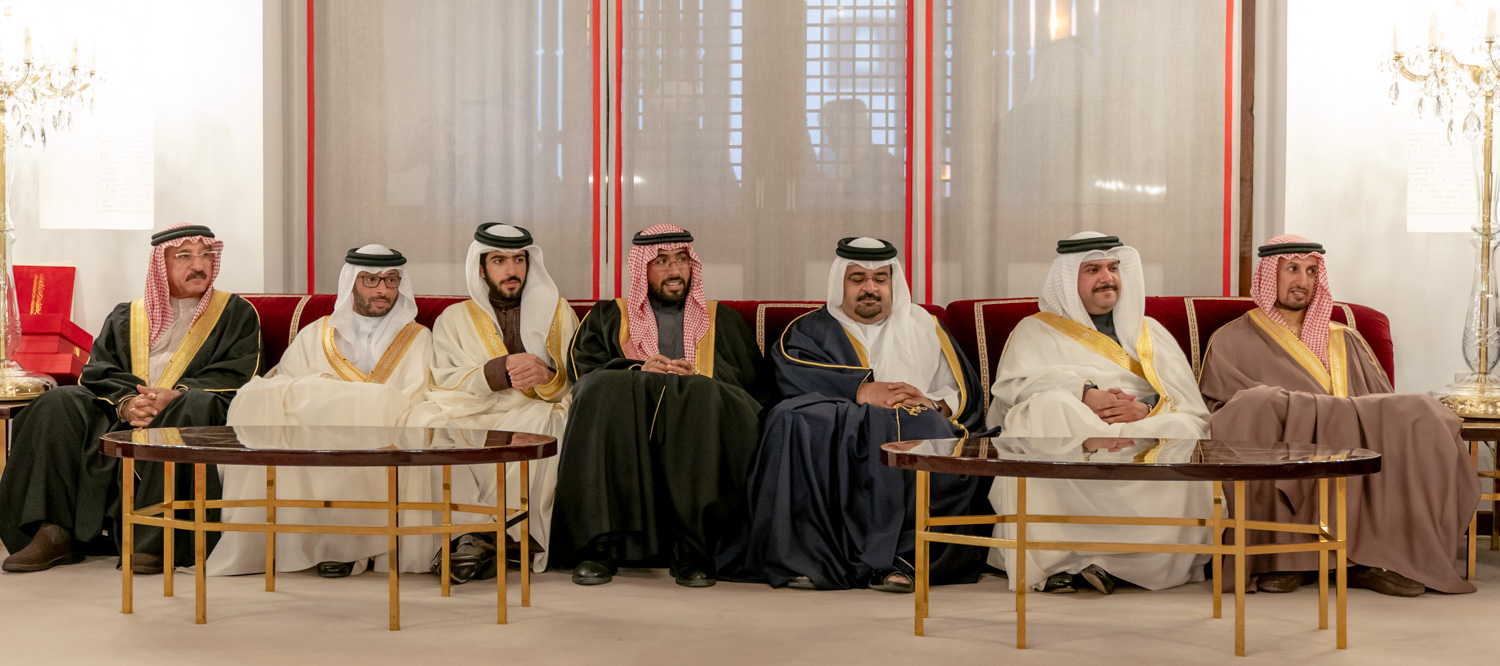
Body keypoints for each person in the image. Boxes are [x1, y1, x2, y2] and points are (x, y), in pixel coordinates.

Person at [1198, 235, 1480, 597]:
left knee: (1420, 413)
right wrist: (1295, 409)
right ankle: (1285, 559)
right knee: (1258, 408)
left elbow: (1377, 400)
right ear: (1269, 275)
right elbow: (1222, 409)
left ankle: (1371, 560)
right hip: (1284, 440)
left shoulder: (1346, 339)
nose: (1302, 281)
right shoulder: (1232, 339)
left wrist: (1325, 413)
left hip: (1349, 435)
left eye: (1311, 271)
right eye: (1292, 269)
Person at [730, 237, 988, 592]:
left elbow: (959, 391)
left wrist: (934, 404)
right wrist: (861, 390)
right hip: (839, 428)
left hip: (910, 420)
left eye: (880, 278)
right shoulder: (811, 329)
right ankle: (808, 558)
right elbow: (791, 375)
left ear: (892, 283)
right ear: (841, 283)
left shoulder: (924, 326)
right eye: (858, 279)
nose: (870, 288)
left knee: (928, 426)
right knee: (791, 419)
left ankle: (902, 562)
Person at [0, 223, 261, 574]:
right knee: (58, 402)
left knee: (195, 403)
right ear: (160, 264)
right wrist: (126, 403)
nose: (198, 265)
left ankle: (155, 539)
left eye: (205, 256)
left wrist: (175, 396)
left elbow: (236, 372)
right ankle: (53, 532)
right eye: (184, 256)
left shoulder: (235, 313)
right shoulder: (127, 315)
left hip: (189, 411)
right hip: (122, 412)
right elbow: (98, 369)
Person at [986, 231, 1211, 594]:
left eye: (1113, 268)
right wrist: (1084, 394)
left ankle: (1131, 563)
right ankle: (1057, 560)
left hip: (1139, 424)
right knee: (1049, 409)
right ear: (1068, 279)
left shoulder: (1149, 331)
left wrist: (1144, 408)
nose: (1108, 278)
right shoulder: (1035, 330)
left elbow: (1184, 397)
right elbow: (1012, 390)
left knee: (1183, 427)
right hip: (1074, 421)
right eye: (1093, 270)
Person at [551, 224, 768, 588]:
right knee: (603, 389)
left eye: (681, 259)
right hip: (627, 415)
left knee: (702, 394)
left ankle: (693, 549)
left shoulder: (723, 319)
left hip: (695, 417)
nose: (674, 270)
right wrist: (637, 371)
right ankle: (600, 546)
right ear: (642, 268)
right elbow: (584, 372)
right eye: (662, 261)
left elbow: (752, 387)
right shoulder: (608, 315)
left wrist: (695, 377)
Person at [207, 245, 434, 578]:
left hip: (383, 434)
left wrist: (353, 402)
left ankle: (350, 546)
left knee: (369, 408)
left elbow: (414, 398)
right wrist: (339, 402)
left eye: (391, 280)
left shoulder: (417, 338)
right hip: (314, 436)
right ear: (351, 283)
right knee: (261, 400)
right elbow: (285, 385)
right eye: (370, 280)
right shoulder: (316, 333)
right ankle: (311, 541)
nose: (382, 289)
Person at [406, 223, 578, 582]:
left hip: (534, 408)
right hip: (473, 408)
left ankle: (480, 539)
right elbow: (443, 379)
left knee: (542, 425)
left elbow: (575, 379)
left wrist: (547, 376)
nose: (511, 270)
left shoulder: (559, 313)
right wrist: (497, 371)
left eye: (519, 260)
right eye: (499, 261)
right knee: (433, 427)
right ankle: (487, 536)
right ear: (481, 269)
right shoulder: (454, 318)